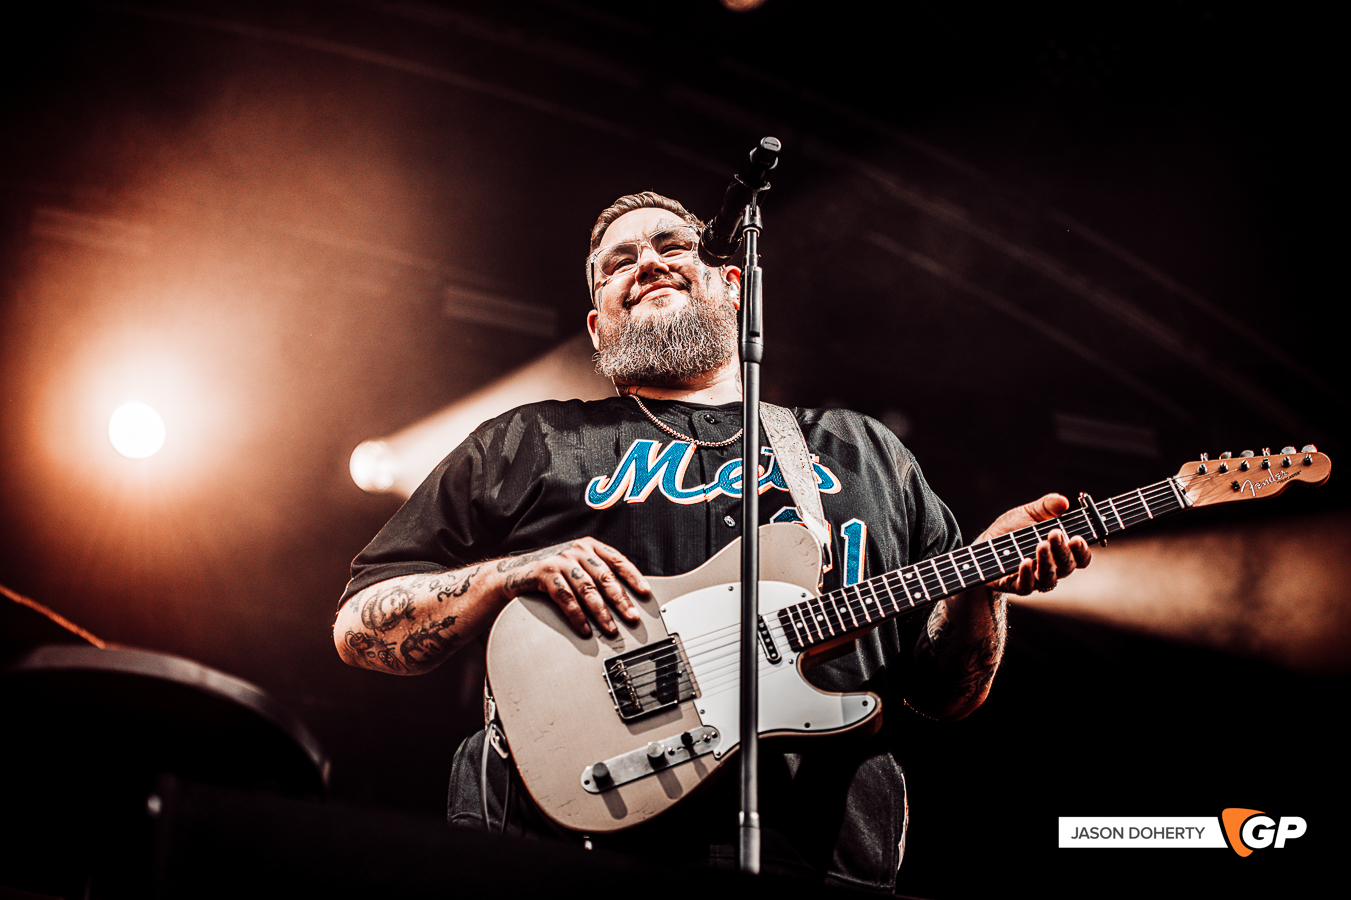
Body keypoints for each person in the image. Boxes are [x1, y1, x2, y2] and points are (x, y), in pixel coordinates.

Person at [334, 192, 1090, 893]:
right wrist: (508, 575)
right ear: (597, 325)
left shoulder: (860, 451)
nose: (649, 263)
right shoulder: (530, 441)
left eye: (671, 246)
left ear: (733, 286)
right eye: (618, 262)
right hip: (557, 841)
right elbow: (358, 626)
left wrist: (981, 586)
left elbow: (945, 696)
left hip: (819, 855)